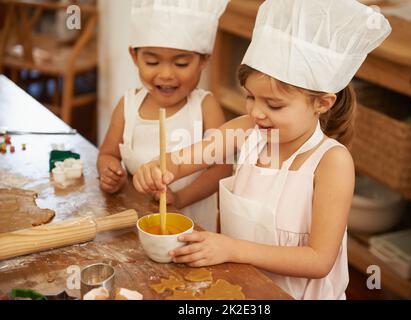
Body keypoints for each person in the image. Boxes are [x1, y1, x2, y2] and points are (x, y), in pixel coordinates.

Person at [133, 0, 391, 299]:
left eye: (274, 105)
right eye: (251, 97)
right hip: (240, 288)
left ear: (322, 103)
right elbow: (183, 160)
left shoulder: (331, 162)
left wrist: (232, 248)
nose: (257, 112)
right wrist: (159, 167)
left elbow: (319, 260)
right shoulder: (247, 131)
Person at [97, 0, 231, 232]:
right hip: (136, 227)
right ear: (134, 56)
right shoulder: (128, 105)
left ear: (204, 60)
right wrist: (109, 172)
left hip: (194, 230)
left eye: (181, 63)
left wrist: (179, 198)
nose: (166, 74)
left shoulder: (205, 107)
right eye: (152, 62)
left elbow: (222, 169)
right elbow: (107, 153)